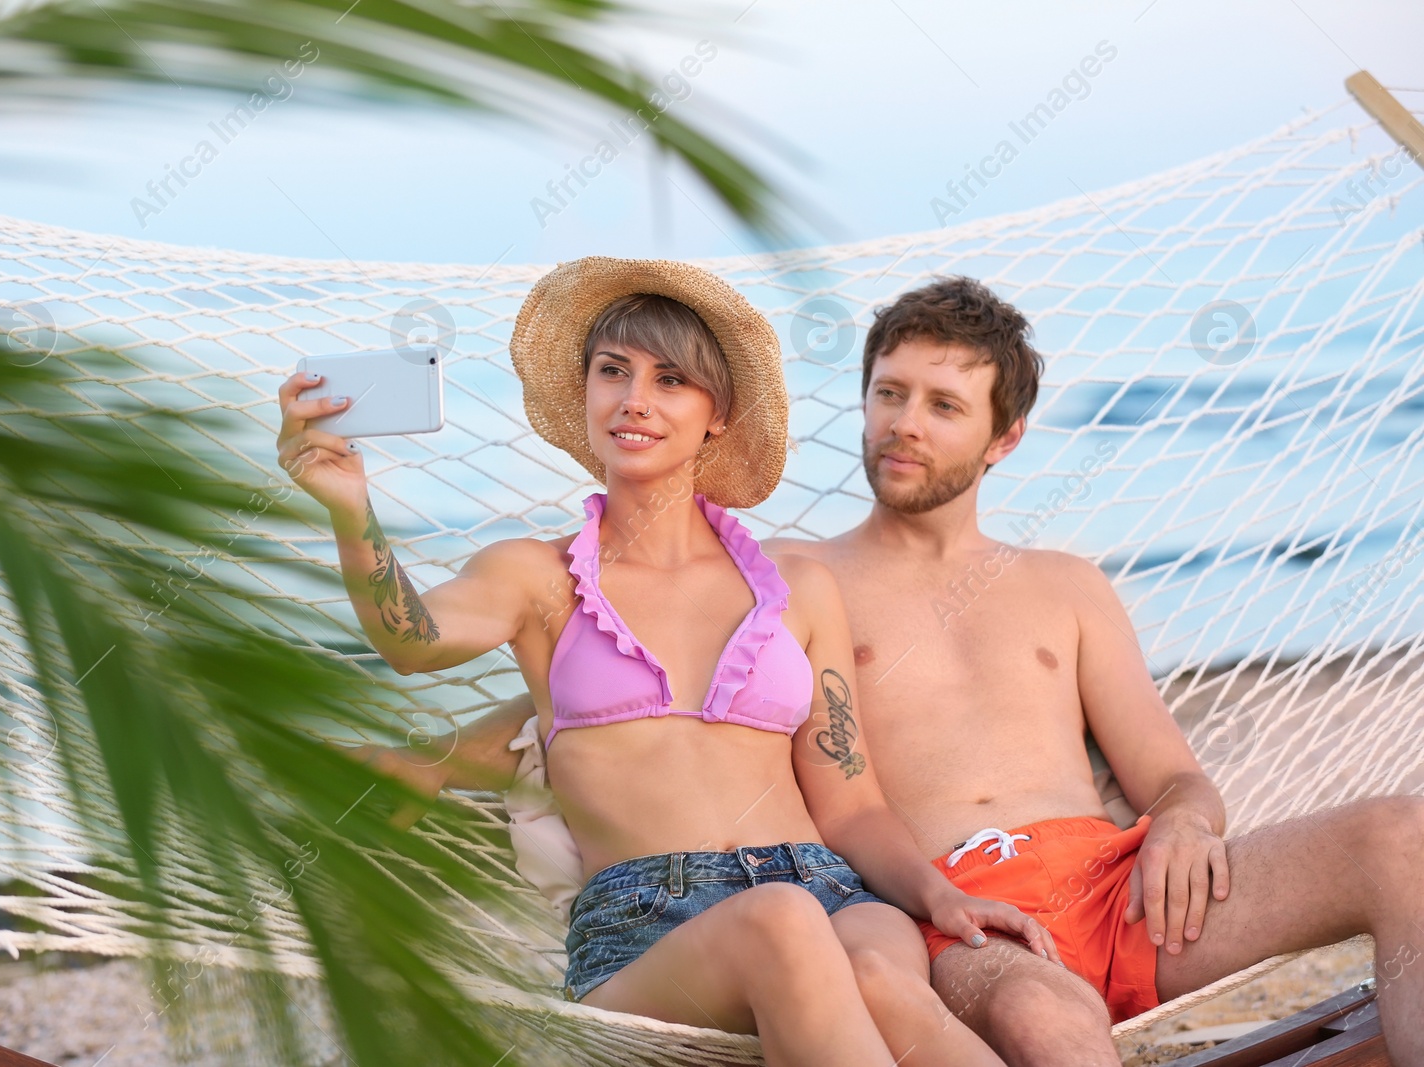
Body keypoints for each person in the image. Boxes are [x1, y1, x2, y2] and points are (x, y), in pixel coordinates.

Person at [373, 274, 1424, 1067]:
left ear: (1004, 438)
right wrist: (433, 762)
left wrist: (1190, 816)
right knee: (1024, 1013)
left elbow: (1164, 772)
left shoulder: (1053, 583)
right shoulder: (794, 575)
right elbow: (617, 685)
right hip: (931, 903)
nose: (903, 424)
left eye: (941, 405)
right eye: (887, 394)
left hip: (1083, 883)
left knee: (1403, 836)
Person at [278, 257, 1054, 1066]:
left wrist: (941, 895)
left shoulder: (797, 588)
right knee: (781, 923)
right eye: (613, 371)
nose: (634, 399)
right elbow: (410, 639)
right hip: (645, 926)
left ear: (717, 413)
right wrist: (350, 508)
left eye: (671, 379)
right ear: (584, 392)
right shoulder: (538, 579)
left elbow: (851, 804)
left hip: (827, 887)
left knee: (879, 975)